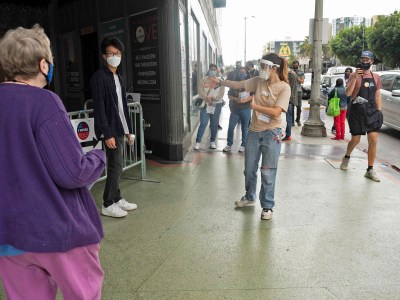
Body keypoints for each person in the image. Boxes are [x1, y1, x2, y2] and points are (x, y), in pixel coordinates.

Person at [0, 24, 105, 299]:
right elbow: (72, 172)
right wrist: (99, 156)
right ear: (43, 63)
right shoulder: (44, 102)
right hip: (57, 231)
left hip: (9, 236)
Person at [214, 53, 290, 220]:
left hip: (272, 132)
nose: (261, 70)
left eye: (264, 67)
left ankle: (267, 206)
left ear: (274, 68)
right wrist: (220, 81)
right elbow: (239, 84)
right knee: (249, 170)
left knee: (268, 171)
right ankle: (249, 197)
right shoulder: (258, 81)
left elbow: (277, 112)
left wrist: (255, 106)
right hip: (254, 132)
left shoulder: (284, 87)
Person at [91, 37, 137, 218]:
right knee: (115, 165)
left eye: (117, 53)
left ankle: (117, 198)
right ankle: (108, 203)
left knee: (118, 165)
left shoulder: (119, 78)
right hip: (110, 129)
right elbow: (99, 108)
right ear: (104, 56)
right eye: (111, 53)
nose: (115, 56)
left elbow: (123, 106)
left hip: (120, 128)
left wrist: (129, 129)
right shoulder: (99, 78)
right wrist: (106, 133)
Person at [340, 51, 383, 182]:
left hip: (371, 110)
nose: (364, 62)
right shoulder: (354, 75)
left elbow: (377, 94)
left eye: (367, 59)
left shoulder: (376, 77)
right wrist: (354, 78)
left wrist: (379, 111)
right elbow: (348, 93)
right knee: (356, 139)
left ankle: (370, 169)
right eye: (362, 59)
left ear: (372, 62)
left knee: (373, 139)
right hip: (357, 110)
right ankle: (347, 156)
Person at [194, 63, 225, 150]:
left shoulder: (220, 81)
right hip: (205, 104)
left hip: (217, 105)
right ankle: (198, 142)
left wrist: (213, 99)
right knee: (203, 123)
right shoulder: (203, 80)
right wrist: (207, 98)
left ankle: (212, 141)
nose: (213, 71)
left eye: (214, 70)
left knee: (214, 124)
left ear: (217, 71)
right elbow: (200, 91)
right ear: (209, 70)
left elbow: (221, 93)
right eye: (211, 69)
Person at [223, 67, 252, 153]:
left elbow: (253, 95)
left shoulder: (250, 84)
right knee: (231, 127)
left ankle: (243, 145)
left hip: (246, 109)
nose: (242, 74)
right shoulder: (234, 84)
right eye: (240, 72)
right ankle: (229, 144)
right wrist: (236, 100)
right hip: (235, 109)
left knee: (244, 128)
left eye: (243, 72)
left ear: (246, 74)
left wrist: (245, 100)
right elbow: (229, 95)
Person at [282, 68, 298, 141]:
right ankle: (287, 134)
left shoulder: (290, 74)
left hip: (289, 99)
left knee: (288, 118)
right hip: (292, 99)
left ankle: (288, 135)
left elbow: (289, 85)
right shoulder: (293, 73)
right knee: (289, 118)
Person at [292, 60, 304, 126]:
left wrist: (296, 77)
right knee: (292, 107)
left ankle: (298, 120)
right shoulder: (290, 72)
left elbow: (302, 81)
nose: (295, 66)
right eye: (294, 65)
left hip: (299, 91)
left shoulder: (301, 72)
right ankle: (292, 122)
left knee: (299, 107)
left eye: (296, 65)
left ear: (298, 65)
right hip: (292, 92)